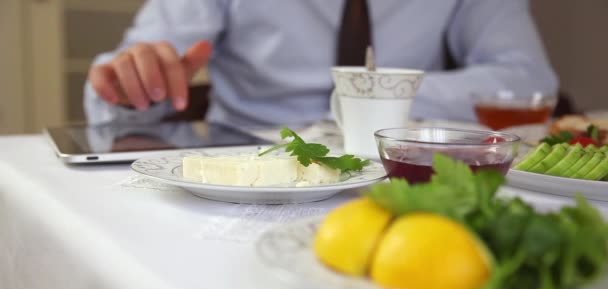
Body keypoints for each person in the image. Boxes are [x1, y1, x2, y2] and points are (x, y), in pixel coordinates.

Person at [85, 0, 558, 128]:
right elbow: (119, 83)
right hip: (251, 168)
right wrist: (132, 82)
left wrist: (375, 95)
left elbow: (528, 80)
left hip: (401, 169)